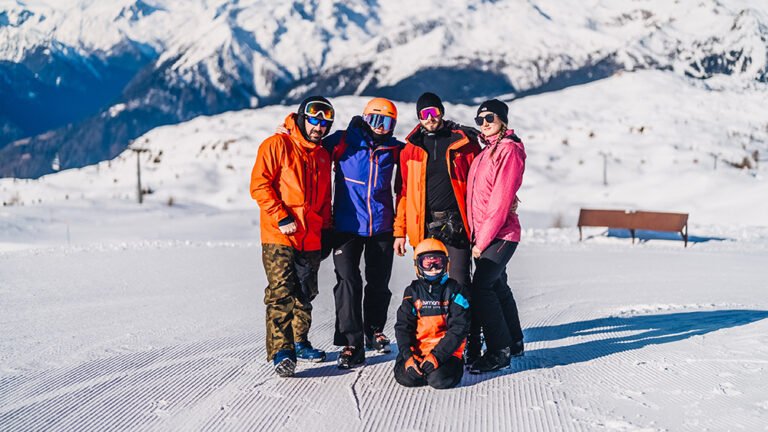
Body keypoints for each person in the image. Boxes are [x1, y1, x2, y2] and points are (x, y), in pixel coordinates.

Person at [250, 96, 335, 377]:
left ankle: (300, 342)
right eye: (314, 119)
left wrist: (325, 229)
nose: (319, 127)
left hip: (310, 236)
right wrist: (282, 215)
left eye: (325, 123)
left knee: (305, 293)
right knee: (281, 292)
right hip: (279, 234)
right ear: (301, 117)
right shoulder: (277, 144)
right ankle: (281, 351)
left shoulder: (322, 155)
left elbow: (324, 199)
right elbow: (260, 185)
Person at [321, 98, 405, 369]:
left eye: (388, 122)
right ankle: (352, 342)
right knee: (348, 281)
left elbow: (425, 154)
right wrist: (288, 132)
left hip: (382, 226)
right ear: (365, 118)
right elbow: (307, 146)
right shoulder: (343, 141)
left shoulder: (394, 149)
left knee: (379, 282)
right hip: (346, 226)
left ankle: (374, 331)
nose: (381, 128)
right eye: (376, 121)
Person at [393, 92, 480, 290]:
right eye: (424, 114)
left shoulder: (464, 144)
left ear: (441, 112)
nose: (430, 118)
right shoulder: (410, 150)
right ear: (419, 117)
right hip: (425, 227)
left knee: (460, 280)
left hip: (456, 223)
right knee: (429, 282)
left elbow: (484, 178)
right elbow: (403, 193)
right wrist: (400, 233)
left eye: (434, 112)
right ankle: (433, 322)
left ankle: (464, 322)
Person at [466, 99, 527, 374]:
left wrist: (482, 242)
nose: (485, 123)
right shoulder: (485, 153)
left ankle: (498, 351)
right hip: (486, 232)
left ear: (502, 119)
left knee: (482, 288)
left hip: (501, 233)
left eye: (490, 117)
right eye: (480, 119)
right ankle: (514, 341)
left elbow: (500, 202)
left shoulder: (508, 150)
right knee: (498, 286)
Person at [393, 238, 470, 389]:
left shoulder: (455, 291)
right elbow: (403, 327)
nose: (433, 268)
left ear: (446, 263)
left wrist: (437, 357)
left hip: (446, 352)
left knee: (439, 380)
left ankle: (445, 367)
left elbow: (459, 328)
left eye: (438, 262)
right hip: (419, 351)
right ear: (418, 265)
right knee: (406, 378)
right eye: (427, 263)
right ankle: (418, 366)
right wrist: (408, 356)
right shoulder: (412, 292)